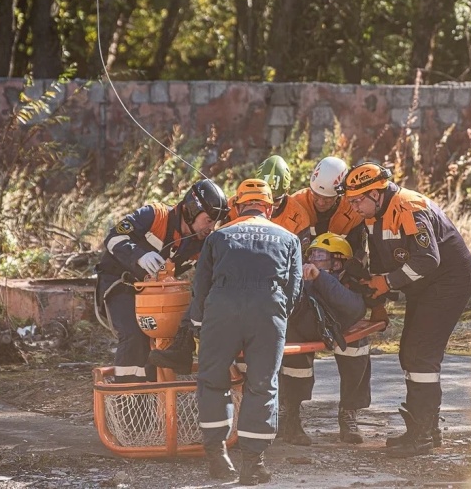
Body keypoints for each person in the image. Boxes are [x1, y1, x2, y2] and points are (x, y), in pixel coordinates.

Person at [341, 162, 471, 458]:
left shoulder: (408, 207)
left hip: (448, 282)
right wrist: (376, 297)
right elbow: (379, 265)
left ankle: (422, 435)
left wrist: (387, 282)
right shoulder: (372, 214)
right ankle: (427, 429)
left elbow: (428, 259)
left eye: (357, 200)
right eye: (350, 201)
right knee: (410, 353)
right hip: (424, 285)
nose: (354, 207)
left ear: (376, 193)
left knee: (420, 354)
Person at [150, 154, 310, 373]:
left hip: (273, 279)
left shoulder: (298, 216)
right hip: (236, 271)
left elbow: (299, 264)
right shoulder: (236, 206)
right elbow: (219, 243)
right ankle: (183, 346)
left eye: (276, 199)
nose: (260, 207)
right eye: (255, 202)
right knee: (203, 287)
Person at [190, 178, 303, 484]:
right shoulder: (289, 237)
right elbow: (295, 288)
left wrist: (200, 323)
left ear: (237, 206)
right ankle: (253, 464)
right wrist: (277, 315)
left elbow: (200, 284)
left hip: (221, 308)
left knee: (213, 381)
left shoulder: (218, 236)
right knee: (262, 384)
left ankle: (217, 457)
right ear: (269, 207)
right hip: (268, 309)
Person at [95, 179, 229, 383]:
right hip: (119, 284)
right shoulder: (155, 215)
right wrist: (138, 256)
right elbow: (113, 238)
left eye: (215, 223)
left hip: (156, 293)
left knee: (165, 339)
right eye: (209, 220)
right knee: (135, 334)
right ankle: (127, 399)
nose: (211, 228)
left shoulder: (200, 244)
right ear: (192, 209)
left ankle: (151, 399)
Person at [280, 232, 372, 446]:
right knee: (295, 363)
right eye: (311, 256)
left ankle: (348, 412)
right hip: (302, 330)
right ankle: (291, 416)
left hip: (339, 330)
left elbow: (353, 308)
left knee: (357, 346)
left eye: (320, 256)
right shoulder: (301, 281)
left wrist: (322, 278)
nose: (312, 261)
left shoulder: (348, 283)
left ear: (338, 263)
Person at [291, 156, 363, 245]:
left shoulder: (354, 211)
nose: (321, 203)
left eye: (327, 199)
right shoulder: (295, 204)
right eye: (316, 196)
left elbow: (358, 250)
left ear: (340, 195)